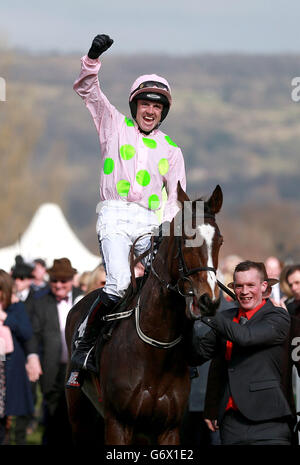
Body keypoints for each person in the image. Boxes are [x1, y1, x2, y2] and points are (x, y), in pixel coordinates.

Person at [67, 34, 186, 388]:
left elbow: (176, 200)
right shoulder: (113, 125)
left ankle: (184, 353)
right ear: (135, 105)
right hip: (116, 217)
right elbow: (89, 90)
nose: (151, 111)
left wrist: (165, 229)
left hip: (151, 223)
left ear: (163, 111)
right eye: (146, 104)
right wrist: (92, 58)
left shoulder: (172, 150)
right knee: (118, 285)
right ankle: (85, 345)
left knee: (171, 285)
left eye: (158, 106)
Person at [188, 260, 293, 445]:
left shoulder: (277, 316)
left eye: (250, 285)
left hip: (269, 423)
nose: (244, 292)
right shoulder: (226, 318)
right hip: (231, 425)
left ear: (264, 286)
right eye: (239, 286)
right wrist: (190, 320)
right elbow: (199, 355)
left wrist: (211, 314)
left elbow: (246, 337)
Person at [25, 258, 82, 444]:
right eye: (54, 280)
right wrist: (32, 357)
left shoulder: (84, 299)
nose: (58, 285)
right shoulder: (40, 302)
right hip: (51, 367)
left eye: (63, 280)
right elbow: (32, 333)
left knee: (75, 411)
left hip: (78, 368)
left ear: (72, 279)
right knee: (52, 411)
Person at [0, 270, 34, 445]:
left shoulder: (17, 307)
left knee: (16, 414)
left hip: (11, 369)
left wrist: (5, 318)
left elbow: (27, 333)